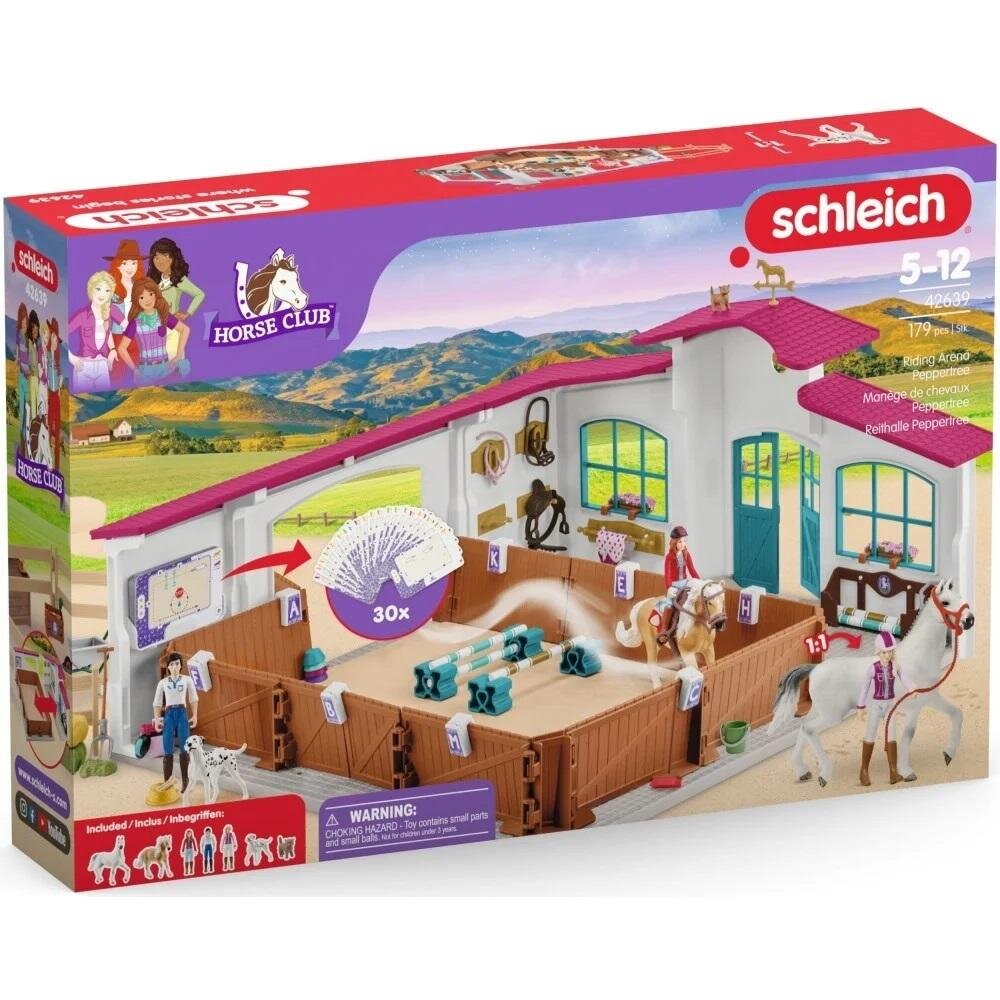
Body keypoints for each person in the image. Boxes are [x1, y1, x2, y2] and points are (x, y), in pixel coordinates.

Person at [857, 631, 909, 786]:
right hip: (876, 705)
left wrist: (913, 688)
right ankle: (863, 771)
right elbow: (864, 689)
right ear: (879, 652)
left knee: (891, 736)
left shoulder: (895, 666)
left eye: (890, 651)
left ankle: (893, 772)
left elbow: (905, 679)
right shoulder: (873, 669)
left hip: (890, 705)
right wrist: (861, 706)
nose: (888, 655)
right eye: (885, 652)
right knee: (870, 735)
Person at [116, 277, 191, 384]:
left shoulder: (164, 316)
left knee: (182, 370)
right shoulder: (135, 323)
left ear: (156, 294)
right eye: (142, 297)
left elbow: (185, 330)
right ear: (137, 300)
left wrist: (178, 356)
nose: (147, 300)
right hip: (146, 370)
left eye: (150, 294)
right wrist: (134, 369)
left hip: (165, 367)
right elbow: (122, 348)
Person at [67, 271, 123, 392]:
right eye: (98, 289)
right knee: (83, 400)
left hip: (102, 365)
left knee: (104, 400)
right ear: (91, 290)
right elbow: (61, 334)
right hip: (84, 366)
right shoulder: (82, 315)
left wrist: (113, 350)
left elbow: (111, 331)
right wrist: (71, 358)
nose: (102, 294)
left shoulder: (110, 311)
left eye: (107, 291)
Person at [152, 652, 198, 797]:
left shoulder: (187, 680)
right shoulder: (163, 683)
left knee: (185, 747)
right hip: (169, 714)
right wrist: (157, 719)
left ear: (180, 665)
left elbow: (193, 698)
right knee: (167, 746)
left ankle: (185, 781)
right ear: (168, 667)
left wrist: (195, 715)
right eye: (171, 664)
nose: (174, 667)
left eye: (177, 663)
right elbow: (157, 702)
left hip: (182, 714)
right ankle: (167, 782)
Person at [648, 525, 701, 640]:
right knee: (669, 603)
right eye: (680, 542)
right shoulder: (669, 557)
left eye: (684, 541)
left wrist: (700, 582)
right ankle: (664, 629)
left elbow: (692, 570)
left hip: (685, 583)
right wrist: (669, 587)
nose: (683, 544)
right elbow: (667, 575)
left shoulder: (686, 554)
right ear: (674, 542)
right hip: (674, 585)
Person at [44, 319, 62, 470]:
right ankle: (47, 461)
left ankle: (56, 465)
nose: (55, 342)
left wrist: (60, 386)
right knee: (49, 427)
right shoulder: (48, 356)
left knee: (57, 428)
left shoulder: (56, 360)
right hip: (50, 394)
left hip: (56, 396)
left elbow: (58, 376)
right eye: (54, 339)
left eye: (57, 340)